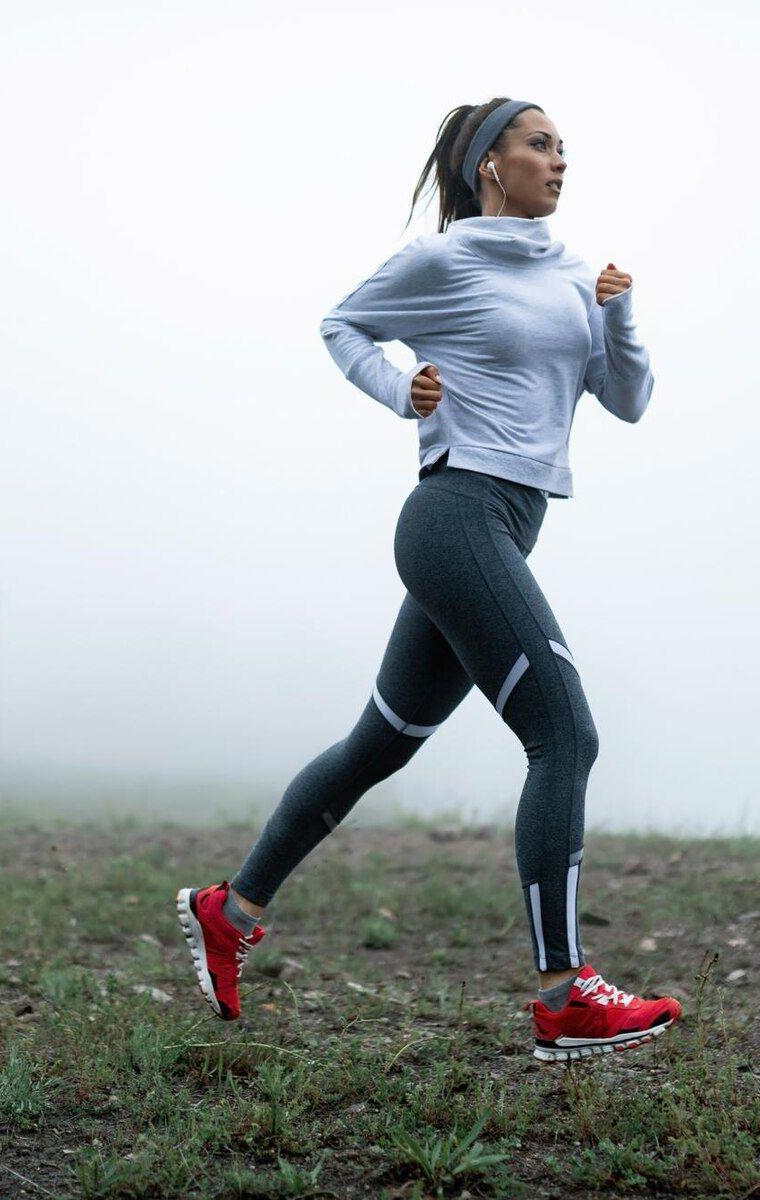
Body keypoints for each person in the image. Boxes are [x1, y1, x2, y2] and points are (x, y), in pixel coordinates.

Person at [176, 98, 682, 1062]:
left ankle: (229, 909)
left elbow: (628, 401)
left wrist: (620, 315)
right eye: (540, 145)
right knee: (564, 734)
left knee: (380, 744)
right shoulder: (445, 262)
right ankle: (564, 996)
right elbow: (342, 324)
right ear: (490, 163)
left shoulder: (579, 276)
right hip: (455, 518)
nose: (559, 161)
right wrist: (395, 390)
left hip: (503, 530)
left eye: (565, 149)